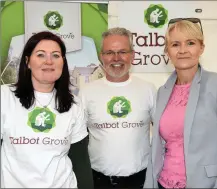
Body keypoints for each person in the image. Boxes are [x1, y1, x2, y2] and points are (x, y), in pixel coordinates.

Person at [1, 31, 93, 188]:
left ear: (63, 62)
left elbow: (80, 161)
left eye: (56, 55)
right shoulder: (4, 97)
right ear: (28, 61)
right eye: (41, 55)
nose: (49, 61)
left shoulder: (74, 105)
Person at [144, 18, 217, 188]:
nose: (183, 50)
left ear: (201, 48)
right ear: (167, 51)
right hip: (163, 182)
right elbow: (158, 146)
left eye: (190, 43)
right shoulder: (163, 91)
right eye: (175, 44)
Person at [79, 27, 156, 188]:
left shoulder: (148, 90)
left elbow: (164, 133)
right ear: (101, 57)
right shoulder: (86, 93)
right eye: (109, 53)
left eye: (122, 52)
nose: (116, 58)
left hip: (140, 180)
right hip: (99, 181)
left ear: (132, 55)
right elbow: (77, 140)